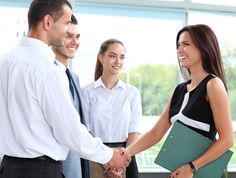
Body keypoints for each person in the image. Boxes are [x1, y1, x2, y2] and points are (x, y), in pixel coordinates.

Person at [0, 1, 130, 178]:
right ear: (47, 22)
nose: (69, 30)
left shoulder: (4, 62)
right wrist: (109, 155)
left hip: (7, 169)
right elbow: (70, 131)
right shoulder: (48, 70)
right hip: (41, 171)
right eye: (67, 22)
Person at [126, 24, 234, 178]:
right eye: (178, 45)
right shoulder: (179, 90)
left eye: (186, 44)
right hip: (181, 173)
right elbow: (156, 132)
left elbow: (227, 140)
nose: (179, 50)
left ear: (204, 47)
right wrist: (126, 153)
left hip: (200, 173)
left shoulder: (213, 85)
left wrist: (191, 168)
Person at [82, 39, 142, 178]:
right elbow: (85, 130)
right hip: (95, 157)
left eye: (122, 57)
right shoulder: (87, 92)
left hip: (126, 157)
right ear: (101, 57)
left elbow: (134, 132)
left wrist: (121, 162)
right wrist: (106, 160)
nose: (118, 61)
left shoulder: (132, 93)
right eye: (112, 56)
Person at [52, 14, 90, 178]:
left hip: (77, 164)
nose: (75, 42)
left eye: (77, 36)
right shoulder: (47, 74)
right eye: (69, 36)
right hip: (56, 165)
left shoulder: (74, 77)